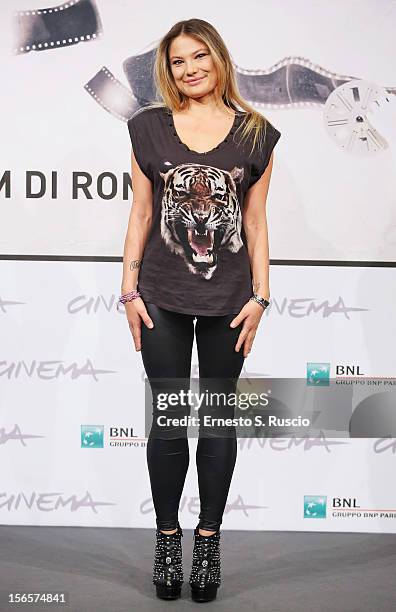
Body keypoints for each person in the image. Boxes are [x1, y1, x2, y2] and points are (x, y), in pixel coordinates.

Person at [119, 18, 281, 603]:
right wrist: (129, 292)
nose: (189, 69)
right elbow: (141, 215)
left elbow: (257, 222)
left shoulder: (256, 133)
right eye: (179, 61)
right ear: (170, 69)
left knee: (215, 420)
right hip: (160, 296)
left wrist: (261, 296)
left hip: (229, 302)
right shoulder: (148, 129)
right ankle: (168, 540)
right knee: (167, 422)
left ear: (219, 60)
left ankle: (207, 541)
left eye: (199, 57)